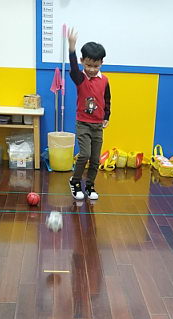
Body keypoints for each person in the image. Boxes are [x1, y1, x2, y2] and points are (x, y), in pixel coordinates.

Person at [67, 28, 111, 204]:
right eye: (88, 65)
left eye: (96, 66)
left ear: (101, 63)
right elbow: (73, 68)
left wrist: (107, 115)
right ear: (82, 61)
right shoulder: (80, 78)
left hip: (98, 125)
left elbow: (107, 99)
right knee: (84, 154)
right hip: (83, 123)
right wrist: (72, 48)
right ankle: (75, 181)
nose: (92, 69)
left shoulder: (105, 80)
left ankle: (90, 185)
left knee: (95, 159)